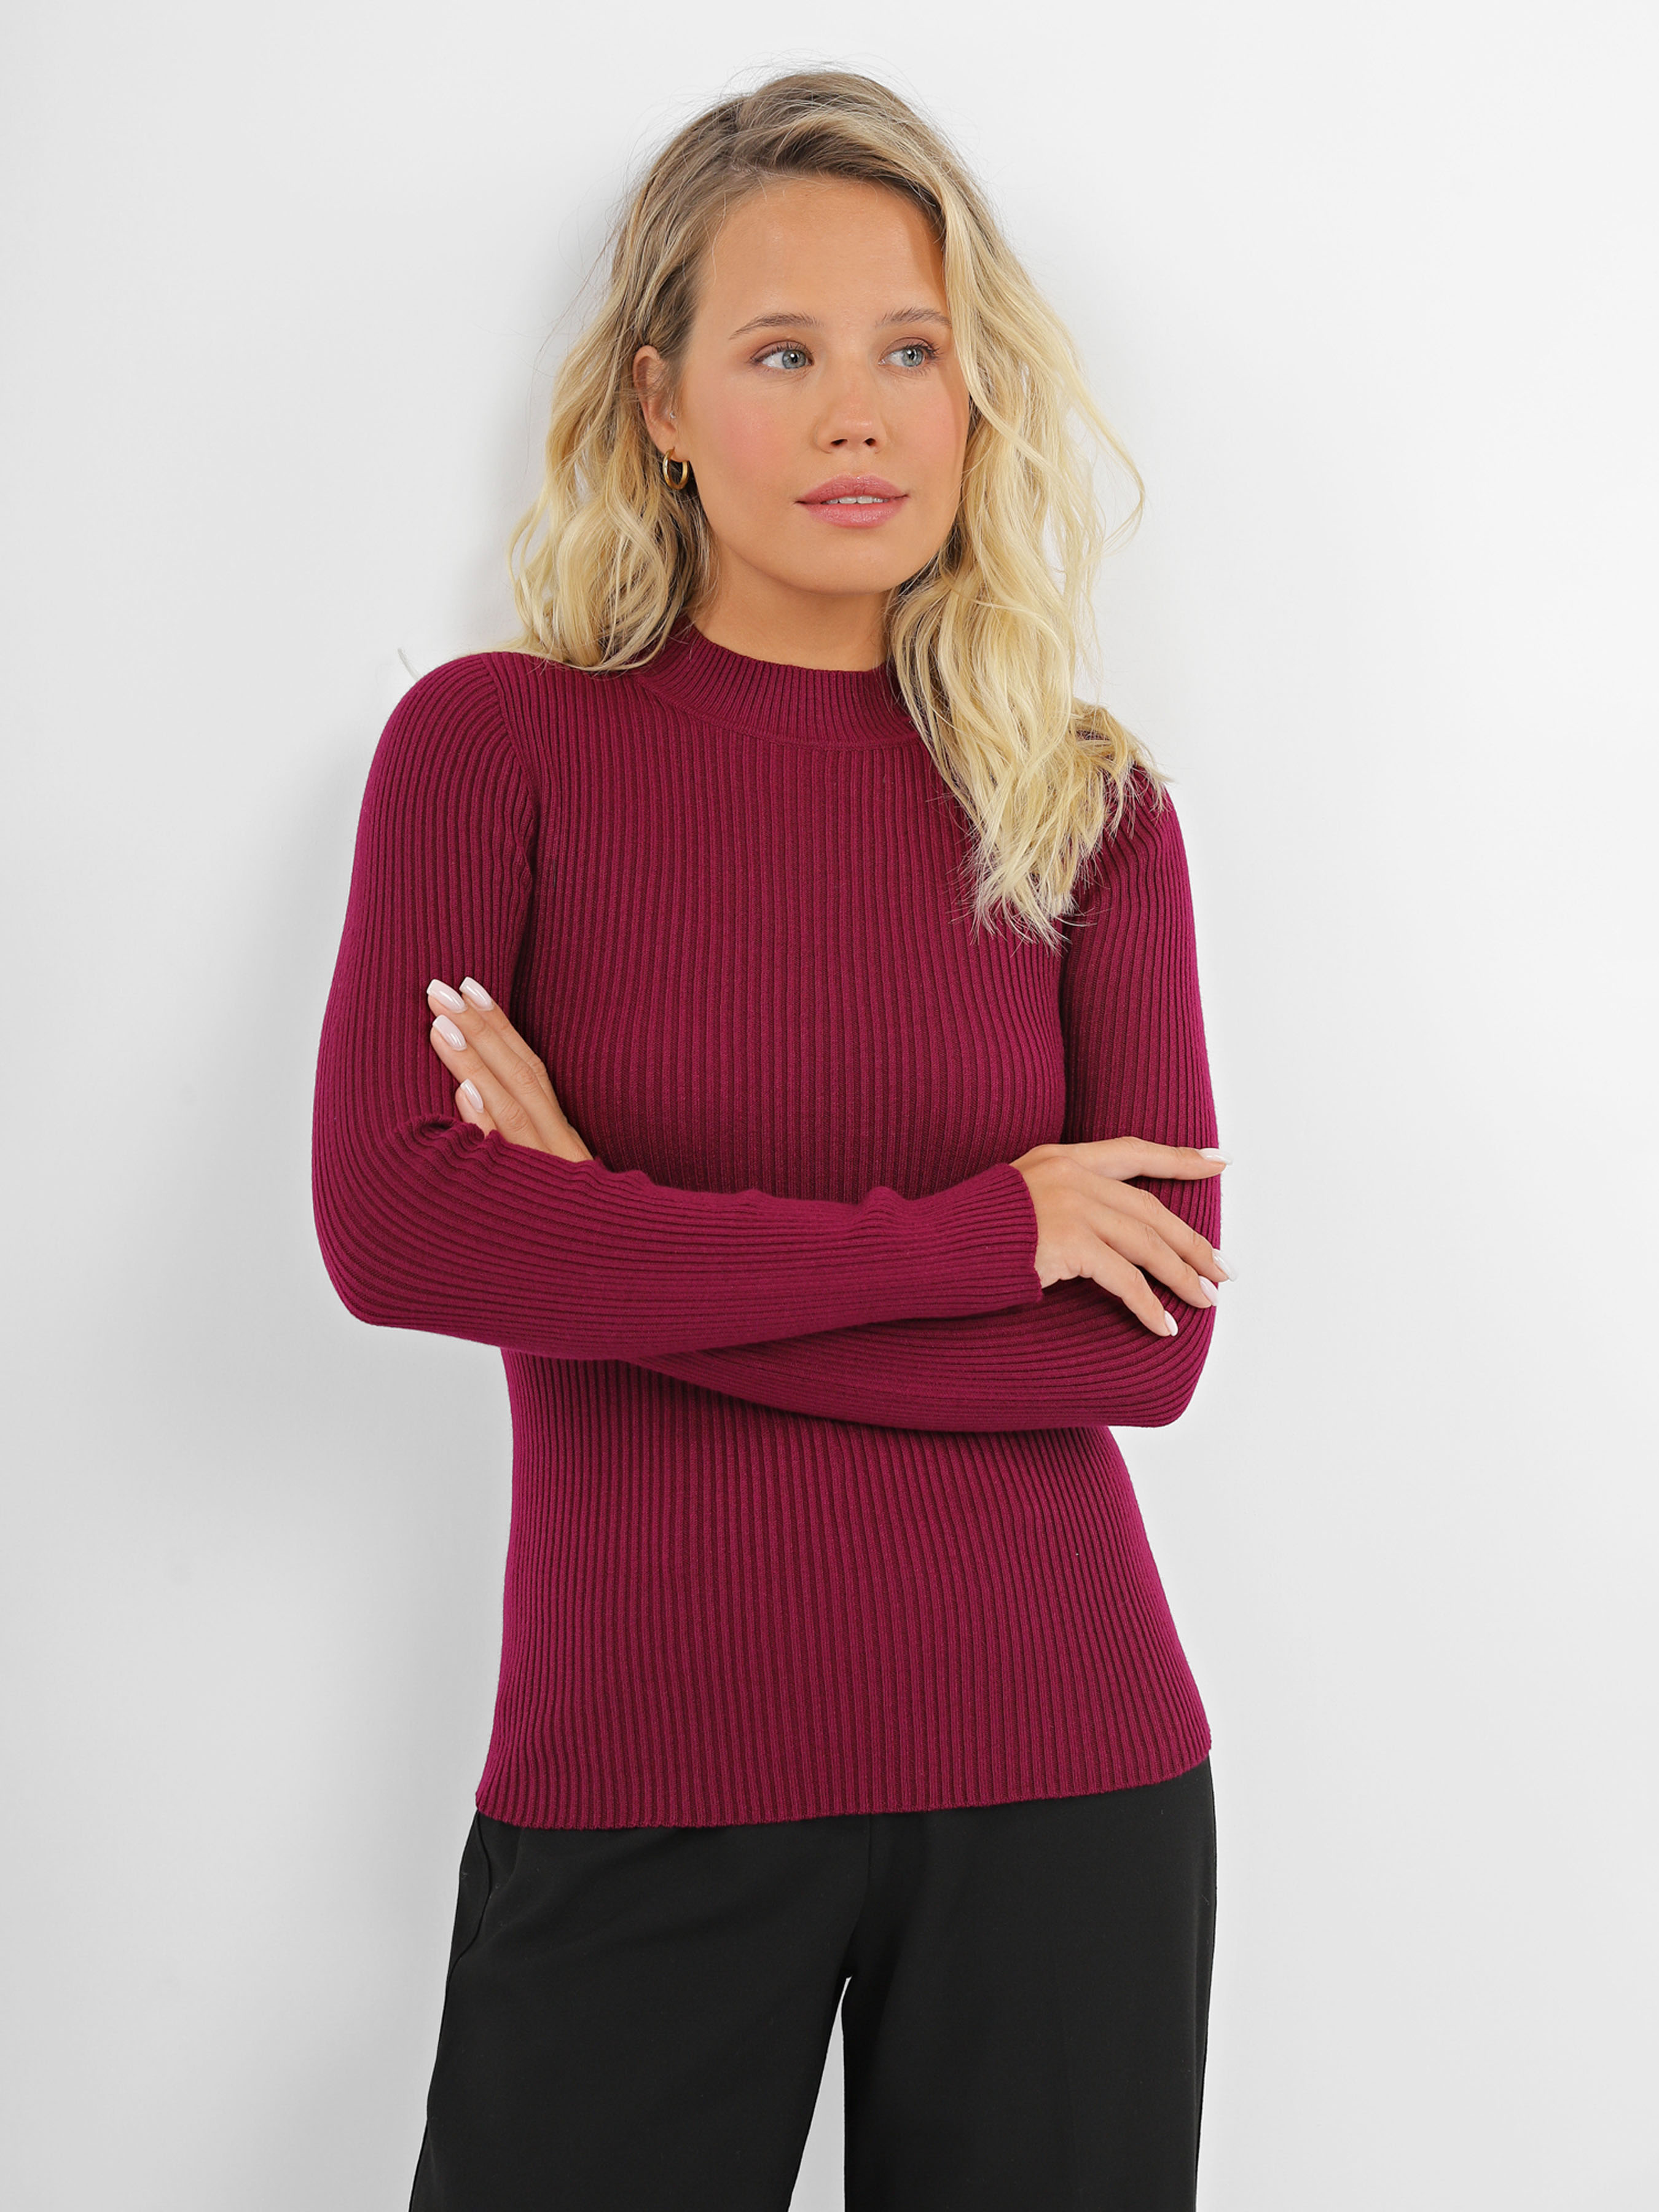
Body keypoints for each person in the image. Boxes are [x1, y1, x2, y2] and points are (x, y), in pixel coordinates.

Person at [312, 65, 1233, 2212]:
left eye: (911, 350)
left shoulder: (1083, 807)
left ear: (976, 394)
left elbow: (1140, 1349)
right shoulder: (493, 747)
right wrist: (979, 1236)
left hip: (1064, 1766)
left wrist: (598, 1240)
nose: (855, 417)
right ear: (659, 399)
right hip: (640, 1770)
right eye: (782, 353)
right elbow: (401, 1232)